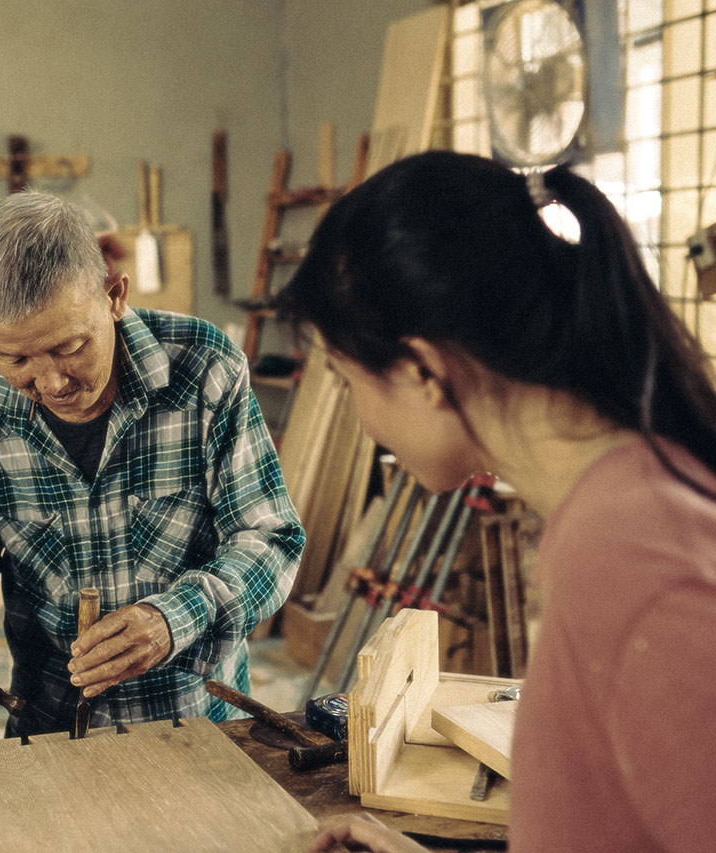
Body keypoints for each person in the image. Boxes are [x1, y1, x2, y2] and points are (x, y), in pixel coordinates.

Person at [276, 150, 716, 852]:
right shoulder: (618, 504)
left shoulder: (635, 556)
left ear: (423, 370)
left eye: (346, 378)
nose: (359, 416)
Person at [0, 191, 304, 739]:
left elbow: (270, 538)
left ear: (114, 295)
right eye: (16, 359)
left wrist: (173, 619)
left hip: (195, 720)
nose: (51, 383)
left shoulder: (204, 367)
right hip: (51, 724)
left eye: (71, 346)